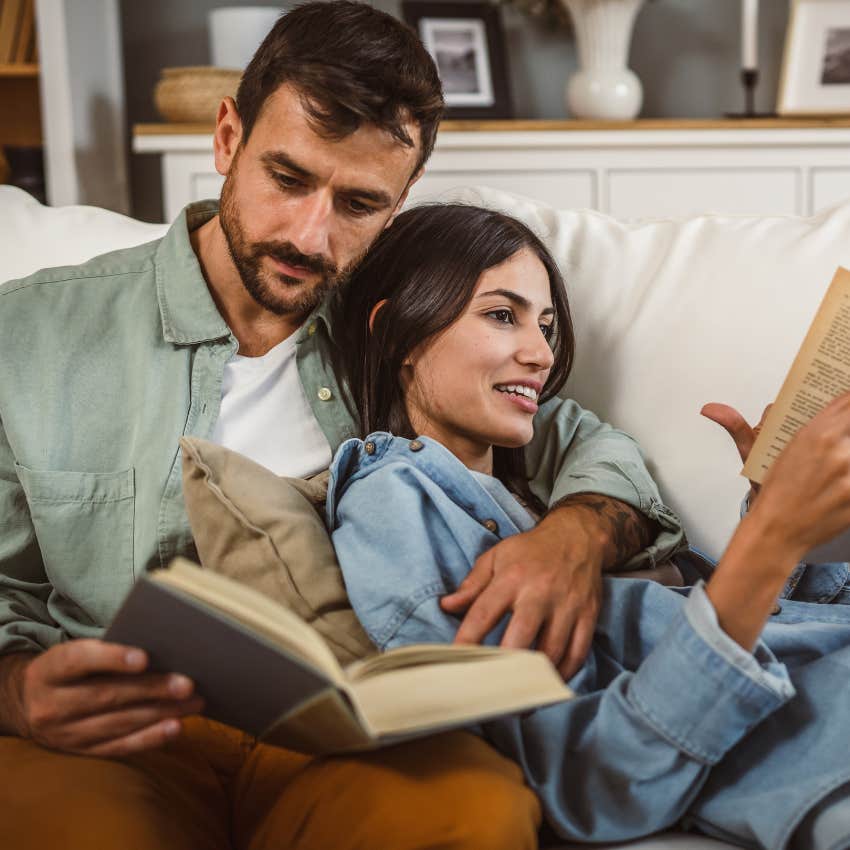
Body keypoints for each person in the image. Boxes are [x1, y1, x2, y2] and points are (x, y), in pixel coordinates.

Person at [0, 3, 686, 849]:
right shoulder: (30, 335)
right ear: (227, 138)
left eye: (360, 202)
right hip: (118, 738)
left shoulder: (404, 329)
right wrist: (17, 692)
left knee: (473, 815)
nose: (310, 234)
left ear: (398, 203)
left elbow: (584, 442)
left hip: (344, 740)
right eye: (288, 178)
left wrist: (576, 536)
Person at [327, 202, 850, 850]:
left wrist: (789, 518)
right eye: (501, 315)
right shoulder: (394, 501)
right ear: (395, 334)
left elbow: (778, 628)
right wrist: (771, 539)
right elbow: (593, 781)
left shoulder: (541, 484)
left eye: (546, 326)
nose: (540, 354)